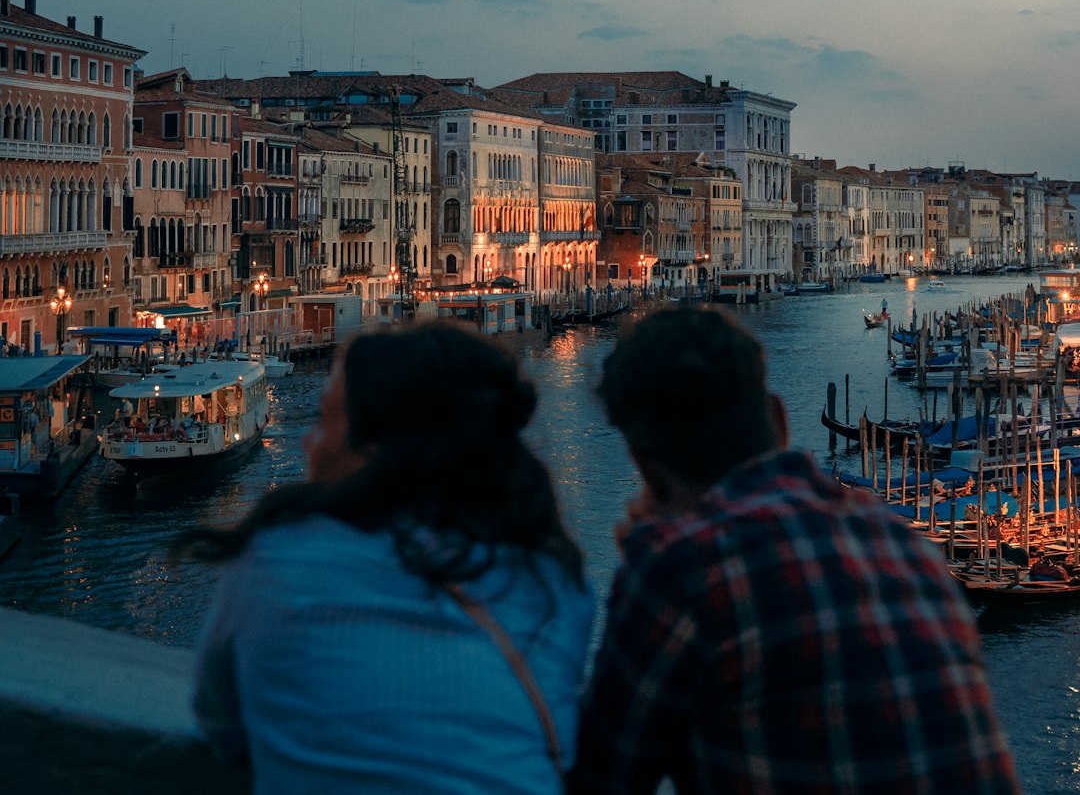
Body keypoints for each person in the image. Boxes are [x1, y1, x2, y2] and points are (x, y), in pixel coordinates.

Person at [570, 306, 1020, 795]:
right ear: (780, 419)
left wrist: (648, 562)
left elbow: (602, 777)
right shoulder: (908, 549)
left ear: (644, 464)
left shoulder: (678, 570)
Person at [179, 323, 593, 795]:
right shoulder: (555, 586)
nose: (306, 444)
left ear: (374, 449)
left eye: (323, 420)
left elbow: (221, 722)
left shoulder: (273, 561)